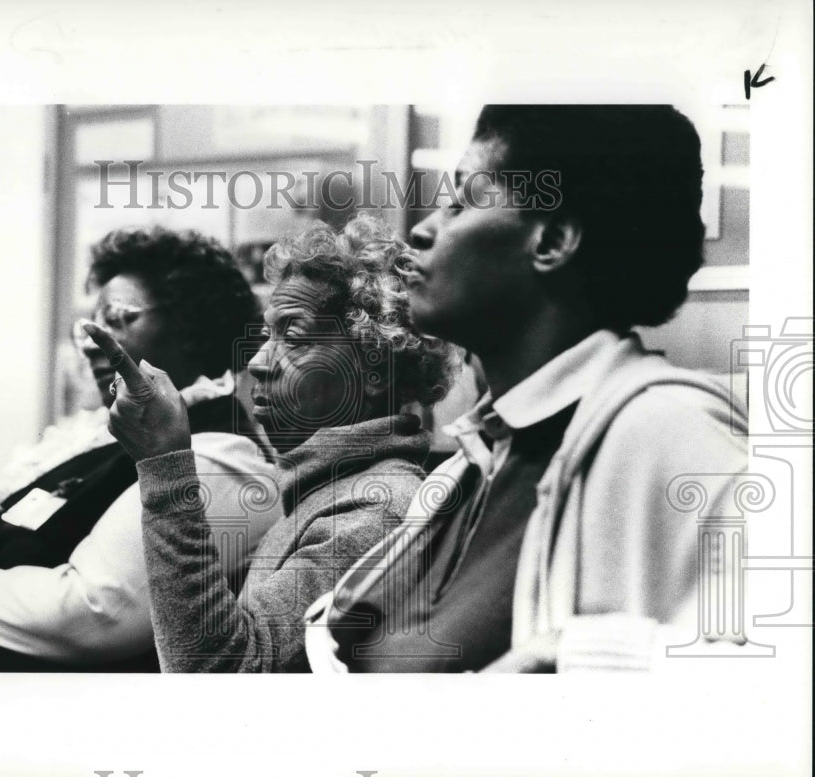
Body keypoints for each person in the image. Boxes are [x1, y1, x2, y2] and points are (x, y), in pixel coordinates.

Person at [305, 105, 749, 673]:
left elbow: (781, 667)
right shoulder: (469, 466)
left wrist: (567, 659)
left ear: (552, 240)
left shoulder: (666, 428)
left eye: (463, 200)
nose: (422, 229)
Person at [84, 214, 457, 672]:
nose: (259, 363)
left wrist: (166, 464)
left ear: (375, 368)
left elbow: (224, 674)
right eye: (267, 336)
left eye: (293, 338)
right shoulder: (328, 491)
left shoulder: (374, 510)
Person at [0, 227, 279, 671]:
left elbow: (93, 612)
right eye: (89, 325)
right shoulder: (105, 436)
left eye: (117, 319)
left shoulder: (221, 459)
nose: (94, 345)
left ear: (192, 327)